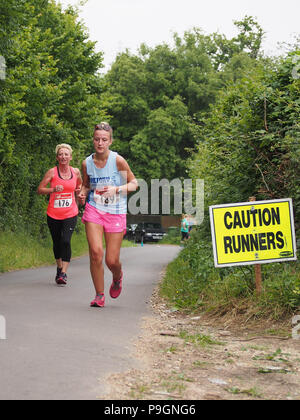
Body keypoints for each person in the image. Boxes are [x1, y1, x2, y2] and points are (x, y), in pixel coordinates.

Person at [78, 122, 138, 308]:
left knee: (111, 260)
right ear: (93, 140)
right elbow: (86, 185)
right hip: (94, 209)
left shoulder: (117, 161)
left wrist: (117, 189)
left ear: (110, 141)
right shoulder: (87, 163)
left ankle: (117, 277)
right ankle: (99, 295)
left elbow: (134, 183)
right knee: (96, 253)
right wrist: (82, 192)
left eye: (104, 139)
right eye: (97, 139)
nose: (100, 143)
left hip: (116, 211)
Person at [37, 144, 82, 285]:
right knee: (57, 242)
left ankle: (63, 273)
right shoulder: (52, 172)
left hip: (70, 212)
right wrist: (53, 189)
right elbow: (40, 189)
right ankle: (59, 266)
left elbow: (79, 186)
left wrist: (79, 193)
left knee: (66, 241)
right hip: (53, 214)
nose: (63, 157)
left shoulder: (76, 172)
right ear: (57, 157)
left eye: (66, 154)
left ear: (70, 157)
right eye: (61, 154)